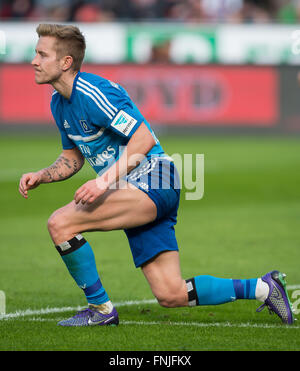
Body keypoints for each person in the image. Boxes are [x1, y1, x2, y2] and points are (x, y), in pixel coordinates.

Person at [19, 24, 295, 326]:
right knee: (170, 293)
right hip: (136, 188)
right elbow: (72, 158)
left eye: (41, 54)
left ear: (65, 62)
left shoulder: (93, 92)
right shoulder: (58, 103)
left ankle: (100, 310)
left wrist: (101, 182)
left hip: (154, 178)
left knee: (60, 223)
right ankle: (264, 287)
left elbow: (143, 139)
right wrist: (43, 175)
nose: (34, 60)